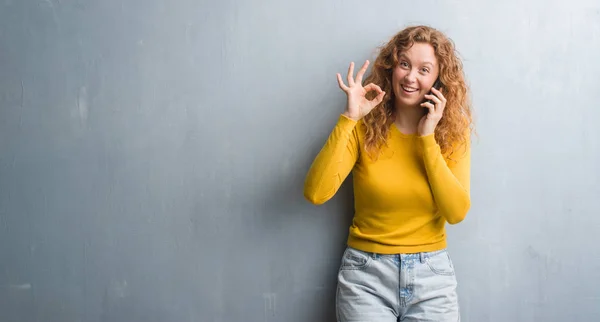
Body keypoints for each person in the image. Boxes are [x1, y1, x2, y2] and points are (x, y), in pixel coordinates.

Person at [303, 25, 473, 321]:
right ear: (391, 67)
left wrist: (427, 139)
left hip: (431, 278)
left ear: (438, 80)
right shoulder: (364, 128)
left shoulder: (452, 136)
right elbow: (316, 193)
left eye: (424, 69)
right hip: (365, 277)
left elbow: (456, 212)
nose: (410, 77)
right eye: (404, 64)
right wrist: (349, 119)